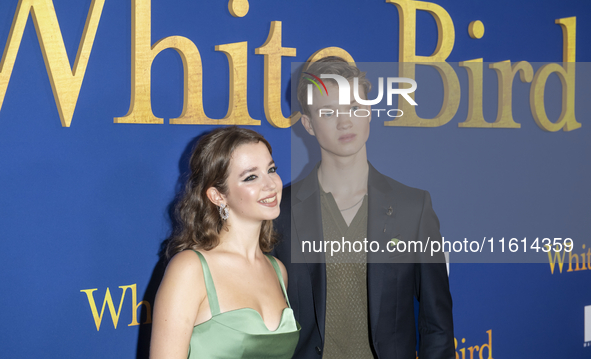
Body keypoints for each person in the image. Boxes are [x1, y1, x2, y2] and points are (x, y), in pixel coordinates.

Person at [272, 57, 454, 358]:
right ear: (308, 124)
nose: (345, 122)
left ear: (369, 111)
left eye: (354, 108)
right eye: (328, 112)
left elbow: (437, 326)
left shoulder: (414, 207)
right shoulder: (281, 211)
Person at [150, 126, 300, 359]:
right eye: (251, 177)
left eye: (271, 170)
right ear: (218, 196)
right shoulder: (190, 269)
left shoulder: (277, 270)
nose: (271, 184)